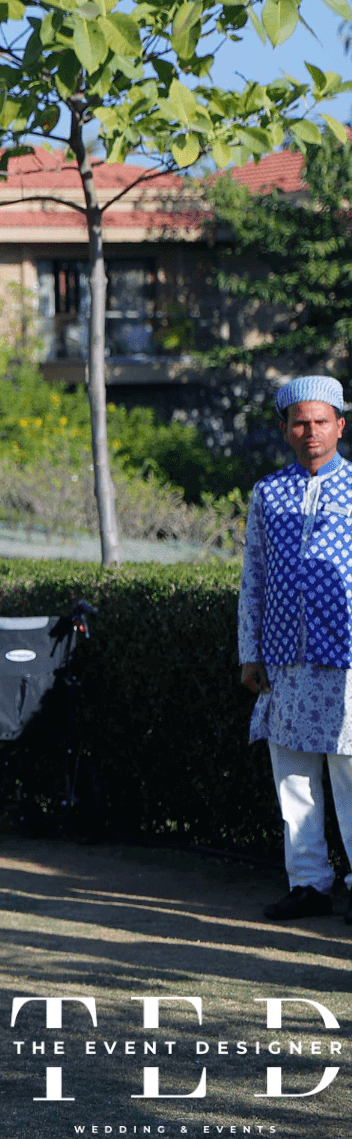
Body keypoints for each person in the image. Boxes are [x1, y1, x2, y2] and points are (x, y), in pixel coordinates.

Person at [240, 375, 352, 924]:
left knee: (351, 774)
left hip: (347, 660)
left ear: (340, 425)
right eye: (300, 422)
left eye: (321, 421)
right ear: (286, 429)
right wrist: (249, 652)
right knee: (294, 779)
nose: (311, 432)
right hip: (285, 660)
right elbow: (254, 579)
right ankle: (308, 885)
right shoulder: (269, 493)